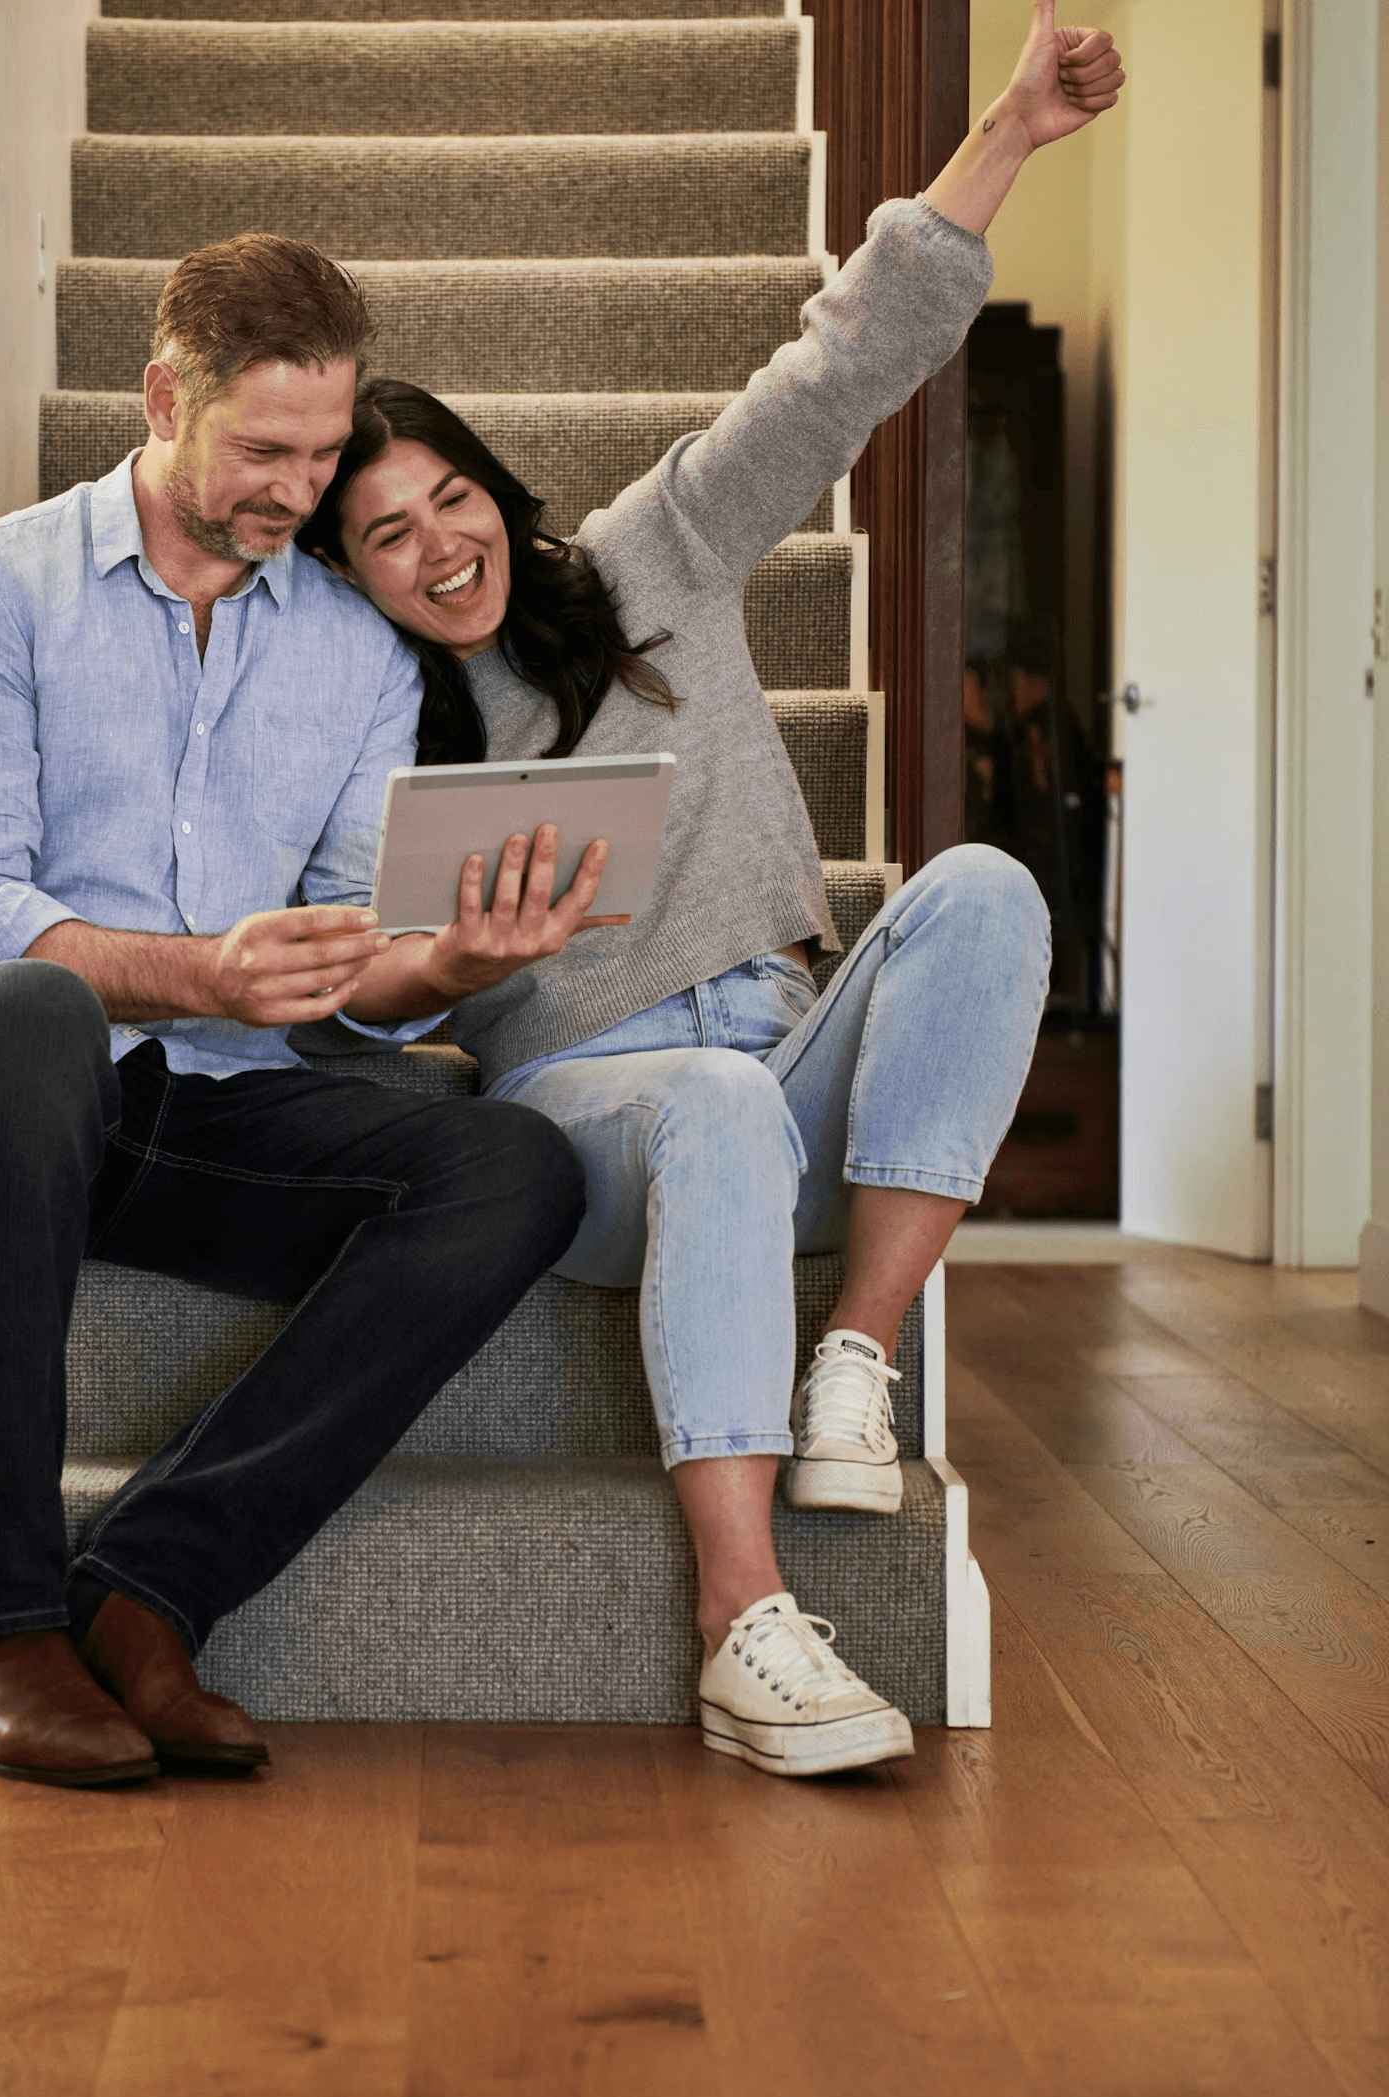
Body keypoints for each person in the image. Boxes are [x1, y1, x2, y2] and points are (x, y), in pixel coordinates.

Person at [300, 2, 1124, 1777]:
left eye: (453, 498)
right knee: (708, 1111)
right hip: (592, 1123)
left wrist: (1008, 135)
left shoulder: (650, 554)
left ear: (494, 489)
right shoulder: (369, 728)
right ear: (349, 576)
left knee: (981, 886)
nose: (442, 545)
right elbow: (348, 986)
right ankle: (739, 1617)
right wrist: (444, 956)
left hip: (782, 1041)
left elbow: (843, 362)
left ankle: (854, 1356)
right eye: (386, 533)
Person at [0, 236, 624, 1788]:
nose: (301, 490)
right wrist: (201, 968)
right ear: (163, 398)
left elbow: (340, 972)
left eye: (325, 450)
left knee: (516, 1167)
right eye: (265, 449)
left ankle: (144, 1587)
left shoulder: (354, 650)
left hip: (206, 1109)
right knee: (30, 1011)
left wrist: (450, 970)